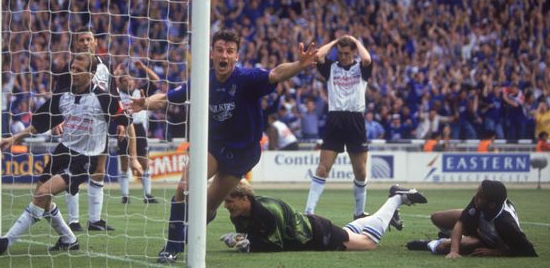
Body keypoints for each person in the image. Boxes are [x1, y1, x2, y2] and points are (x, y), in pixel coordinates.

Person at [131, 29, 318, 263]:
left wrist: (300, 65)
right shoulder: (203, 81)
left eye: (230, 51)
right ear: (211, 53)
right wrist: (146, 102)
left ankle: (189, 235)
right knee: (184, 189)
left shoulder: (246, 79)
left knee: (207, 206)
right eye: (220, 50)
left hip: (242, 152)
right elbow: (169, 97)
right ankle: (171, 247)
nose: (224, 55)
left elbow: (275, 74)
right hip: (215, 145)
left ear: (237, 56)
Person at [0, 52, 141, 255]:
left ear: (92, 73)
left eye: (78, 70)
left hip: (85, 158)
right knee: (41, 197)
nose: (73, 72)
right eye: (72, 68)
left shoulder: (104, 98)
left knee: (43, 194)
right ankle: (69, 239)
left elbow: (128, 124)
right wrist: (14, 138)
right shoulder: (63, 96)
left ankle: (5, 242)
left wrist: (134, 158)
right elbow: (40, 123)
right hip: (62, 151)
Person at [220, 181, 427, 252]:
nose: (225, 205)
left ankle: (397, 199)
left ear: (245, 198)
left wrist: (248, 244)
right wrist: (241, 238)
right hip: (314, 229)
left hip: (319, 233)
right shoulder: (239, 213)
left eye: (229, 201)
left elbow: (275, 245)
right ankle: (393, 202)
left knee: (368, 243)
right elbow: (253, 236)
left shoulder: (267, 211)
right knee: (350, 232)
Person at [305, 35, 373, 220]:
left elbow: (367, 59)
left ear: (353, 52)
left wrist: (356, 40)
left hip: (355, 119)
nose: (342, 56)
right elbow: (318, 55)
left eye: (346, 52)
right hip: (335, 118)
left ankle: (359, 212)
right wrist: (335, 42)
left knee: (360, 170)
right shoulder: (331, 68)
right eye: (340, 53)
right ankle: (309, 211)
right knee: (322, 168)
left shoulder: (361, 68)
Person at [56, 30, 117, 232]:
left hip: (99, 126)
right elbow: (58, 96)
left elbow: (113, 96)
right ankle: (73, 220)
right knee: (71, 172)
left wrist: (121, 122)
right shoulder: (69, 68)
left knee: (99, 171)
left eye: (88, 39)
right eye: (81, 40)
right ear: (76, 43)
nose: (85, 43)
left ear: (95, 42)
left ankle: (94, 220)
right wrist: (56, 121)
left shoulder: (105, 67)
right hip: (76, 125)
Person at [406, 179, 538, 257]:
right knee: (437, 217)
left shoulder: (504, 222)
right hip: (479, 227)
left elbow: (528, 251)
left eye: (479, 196)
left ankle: (430, 243)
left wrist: (495, 252)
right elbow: (461, 221)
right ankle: (452, 237)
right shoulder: (479, 201)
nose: (475, 198)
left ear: (491, 204)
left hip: (487, 239)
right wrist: (454, 250)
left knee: (443, 247)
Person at [114, 60, 161, 204]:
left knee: (144, 162)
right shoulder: (116, 94)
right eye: (125, 80)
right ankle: (125, 195)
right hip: (123, 127)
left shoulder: (138, 92)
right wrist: (115, 74)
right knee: (124, 163)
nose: (129, 82)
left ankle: (147, 194)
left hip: (139, 129)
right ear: (119, 83)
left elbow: (156, 81)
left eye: (131, 80)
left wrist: (143, 67)